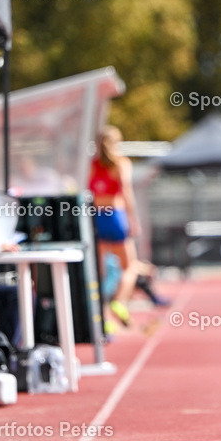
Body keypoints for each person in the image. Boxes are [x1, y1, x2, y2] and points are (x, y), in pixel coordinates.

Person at [87, 126, 168, 329]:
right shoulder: (120, 164)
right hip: (114, 215)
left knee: (100, 271)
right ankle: (119, 302)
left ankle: (102, 317)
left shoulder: (91, 165)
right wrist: (133, 219)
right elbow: (127, 192)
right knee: (130, 267)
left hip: (97, 216)